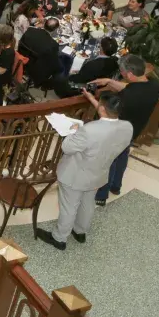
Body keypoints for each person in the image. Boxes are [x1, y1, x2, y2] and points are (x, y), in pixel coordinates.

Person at [35, 93, 132, 251]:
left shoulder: (89, 130)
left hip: (76, 174)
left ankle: (59, 238)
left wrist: (74, 132)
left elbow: (66, 147)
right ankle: (80, 232)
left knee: (69, 207)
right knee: (88, 203)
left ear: (101, 108)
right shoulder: (127, 128)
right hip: (99, 173)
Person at [85, 54, 159, 206]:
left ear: (130, 74)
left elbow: (105, 112)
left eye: (123, 73)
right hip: (134, 130)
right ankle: (116, 186)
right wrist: (109, 81)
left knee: (109, 161)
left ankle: (101, 195)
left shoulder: (126, 97)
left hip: (117, 132)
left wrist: (90, 97)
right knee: (122, 156)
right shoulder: (154, 85)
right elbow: (133, 86)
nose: (122, 75)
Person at [19, 18, 62, 85]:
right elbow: (52, 62)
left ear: (44, 24)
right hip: (34, 68)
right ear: (55, 30)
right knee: (59, 66)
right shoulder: (53, 44)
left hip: (21, 58)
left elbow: (21, 43)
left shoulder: (30, 30)